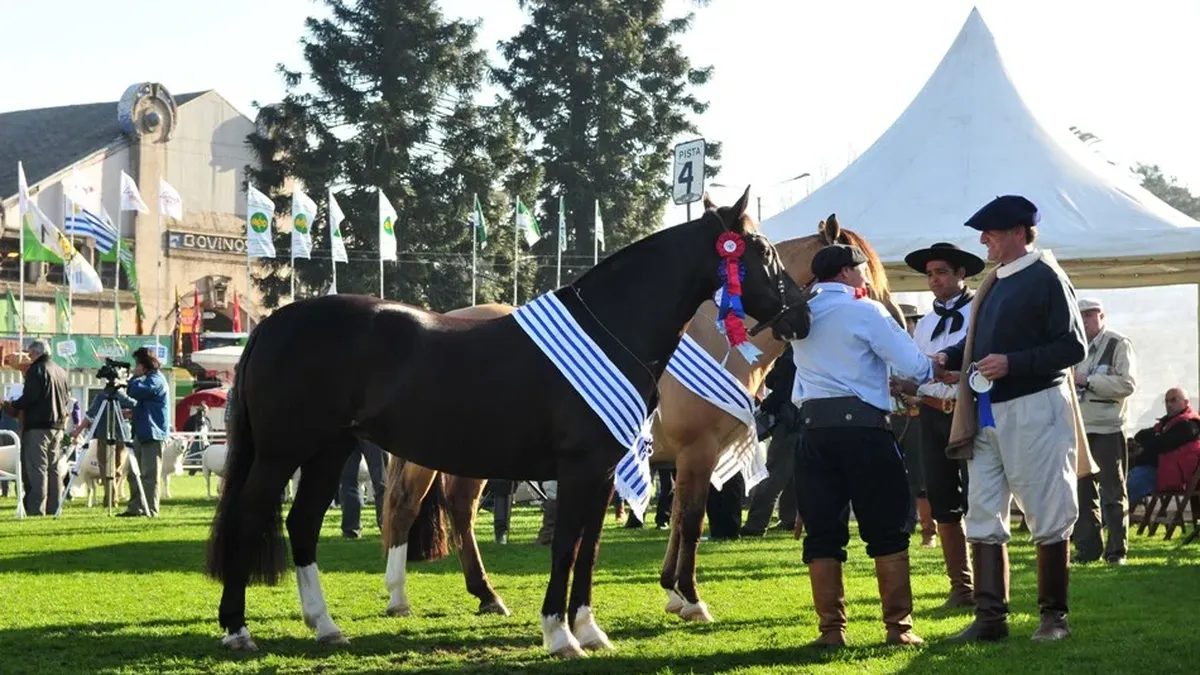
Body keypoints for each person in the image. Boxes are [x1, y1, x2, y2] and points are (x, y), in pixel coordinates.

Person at [936, 195, 1088, 643]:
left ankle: (1053, 619)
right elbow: (983, 336)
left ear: (1020, 233)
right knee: (982, 511)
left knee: (1048, 511)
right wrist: (952, 354)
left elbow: (1072, 348)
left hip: (1035, 407)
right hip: (986, 416)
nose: (984, 240)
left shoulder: (1047, 277)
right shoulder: (997, 280)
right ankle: (989, 620)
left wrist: (1013, 363)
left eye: (993, 232)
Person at [791, 243, 941, 648]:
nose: (866, 277)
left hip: (813, 431)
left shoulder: (801, 312)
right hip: (864, 432)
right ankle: (898, 628)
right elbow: (914, 366)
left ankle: (831, 631)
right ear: (845, 272)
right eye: (862, 270)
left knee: (822, 533)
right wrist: (936, 365)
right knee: (888, 528)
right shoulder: (865, 310)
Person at [896, 241, 986, 609]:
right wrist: (910, 386)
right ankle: (961, 587)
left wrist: (953, 374)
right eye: (930, 274)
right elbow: (919, 370)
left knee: (981, 495)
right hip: (932, 413)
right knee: (941, 498)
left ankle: (989, 584)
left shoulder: (982, 308)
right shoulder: (926, 323)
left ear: (961, 274)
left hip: (973, 409)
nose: (934, 280)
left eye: (942, 272)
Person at [1072, 297, 1137, 565]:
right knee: (1082, 493)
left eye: (1090, 315)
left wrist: (1087, 380)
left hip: (1108, 428)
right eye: (1081, 315)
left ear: (1102, 316)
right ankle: (1087, 550)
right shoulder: (1073, 347)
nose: (1086, 320)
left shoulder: (1118, 343)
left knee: (1112, 491)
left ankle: (1116, 552)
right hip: (1079, 427)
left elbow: (1127, 385)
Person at [2, 340, 70, 516]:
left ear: (35, 353)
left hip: (38, 425)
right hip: (58, 425)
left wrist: (12, 405)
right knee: (53, 468)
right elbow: (66, 399)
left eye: (30, 354)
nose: (28, 358)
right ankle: (54, 507)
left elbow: (30, 397)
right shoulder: (61, 371)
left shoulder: (37, 370)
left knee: (37, 468)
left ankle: (36, 509)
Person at [742, 343, 802, 537]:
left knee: (774, 473)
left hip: (790, 419)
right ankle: (788, 518)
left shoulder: (790, 355)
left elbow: (778, 387)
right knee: (793, 475)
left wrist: (765, 406)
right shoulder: (806, 352)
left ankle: (755, 525)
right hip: (806, 418)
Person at [891, 303, 935, 549]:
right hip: (893, 418)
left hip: (918, 417)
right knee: (898, 477)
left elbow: (930, 384)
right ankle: (904, 526)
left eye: (907, 321)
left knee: (921, 478)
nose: (904, 325)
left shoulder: (921, 351)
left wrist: (912, 394)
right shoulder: (886, 348)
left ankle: (929, 531)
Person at [113, 347, 171, 517]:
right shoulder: (149, 380)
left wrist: (128, 381)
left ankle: (150, 508)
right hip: (142, 431)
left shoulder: (156, 380)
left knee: (149, 474)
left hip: (153, 433)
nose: (135, 368)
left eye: (137, 364)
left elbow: (139, 391)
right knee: (134, 473)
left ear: (144, 365)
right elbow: (144, 403)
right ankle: (135, 507)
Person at [1128, 388, 1200, 506]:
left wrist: (1152, 441)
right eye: (1166, 401)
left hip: (1167, 475)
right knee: (1117, 482)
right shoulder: (1168, 422)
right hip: (1157, 470)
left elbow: (1161, 444)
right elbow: (1141, 435)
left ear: (1186, 402)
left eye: (1173, 400)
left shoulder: (1190, 425)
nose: (1169, 404)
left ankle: (1107, 520)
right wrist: (1154, 439)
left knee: (1125, 488)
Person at [72, 383, 135, 510]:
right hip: (103, 434)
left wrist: (125, 413)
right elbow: (90, 415)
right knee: (105, 467)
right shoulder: (101, 397)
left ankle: (112, 497)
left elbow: (136, 407)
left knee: (117, 467)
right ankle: (110, 498)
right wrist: (78, 431)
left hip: (121, 435)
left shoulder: (122, 396)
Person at [339, 438, 388, 539]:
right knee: (382, 482)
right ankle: (386, 526)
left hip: (348, 429)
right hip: (372, 430)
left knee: (348, 484)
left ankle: (351, 530)